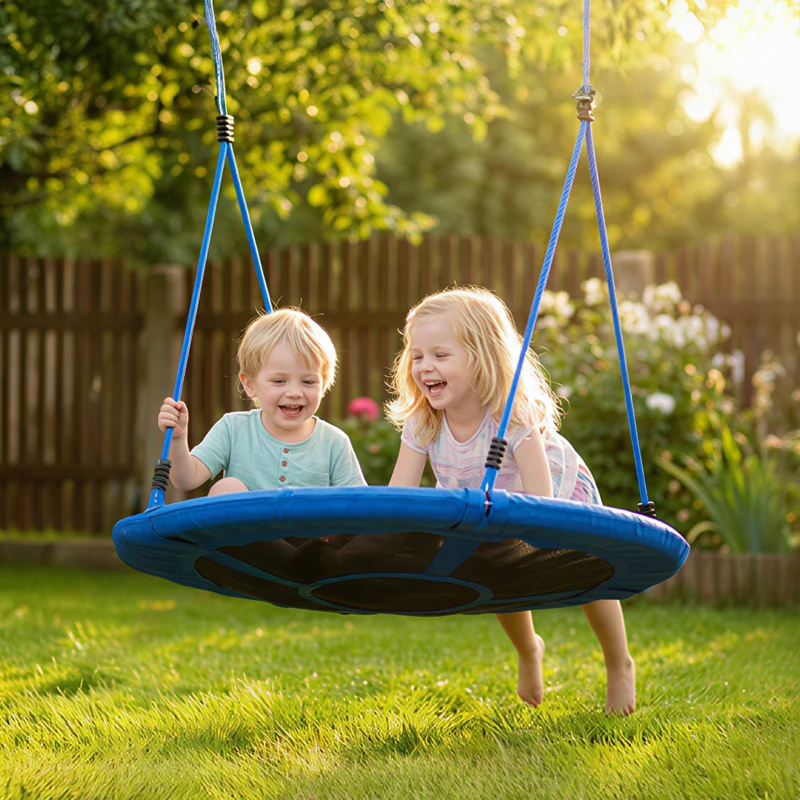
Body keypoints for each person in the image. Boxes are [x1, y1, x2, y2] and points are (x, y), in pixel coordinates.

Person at [386, 286, 636, 715]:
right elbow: (398, 500)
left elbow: (542, 501)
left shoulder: (512, 417)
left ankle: (619, 663)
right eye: (418, 356)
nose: (425, 367)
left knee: (589, 571)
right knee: (497, 572)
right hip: (486, 511)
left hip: (554, 496)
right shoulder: (423, 423)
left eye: (441, 355)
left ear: (482, 357)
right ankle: (528, 649)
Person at [157, 307, 366, 493]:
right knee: (227, 487)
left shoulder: (333, 443)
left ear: (324, 384)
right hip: (248, 536)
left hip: (309, 536)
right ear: (249, 385)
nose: (294, 392)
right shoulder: (233, 429)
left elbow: (359, 504)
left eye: (308, 382)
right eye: (279, 381)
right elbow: (186, 480)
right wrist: (177, 439)